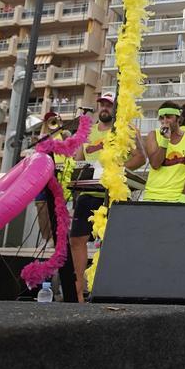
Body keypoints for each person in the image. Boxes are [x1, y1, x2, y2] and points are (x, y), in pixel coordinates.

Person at [68, 93, 143, 299]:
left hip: (113, 192)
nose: (104, 108)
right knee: (76, 239)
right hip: (88, 192)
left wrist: (117, 170)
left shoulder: (124, 130)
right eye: (101, 104)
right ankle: (78, 291)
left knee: (112, 241)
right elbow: (79, 160)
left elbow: (139, 157)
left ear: (116, 108)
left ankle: (111, 287)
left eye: (108, 105)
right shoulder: (87, 132)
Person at [138, 102, 185, 202]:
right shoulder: (153, 135)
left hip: (178, 197)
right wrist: (165, 140)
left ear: (178, 118)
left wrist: (184, 197)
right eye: (161, 118)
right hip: (153, 196)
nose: (164, 121)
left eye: (168, 117)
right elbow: (155, 164)